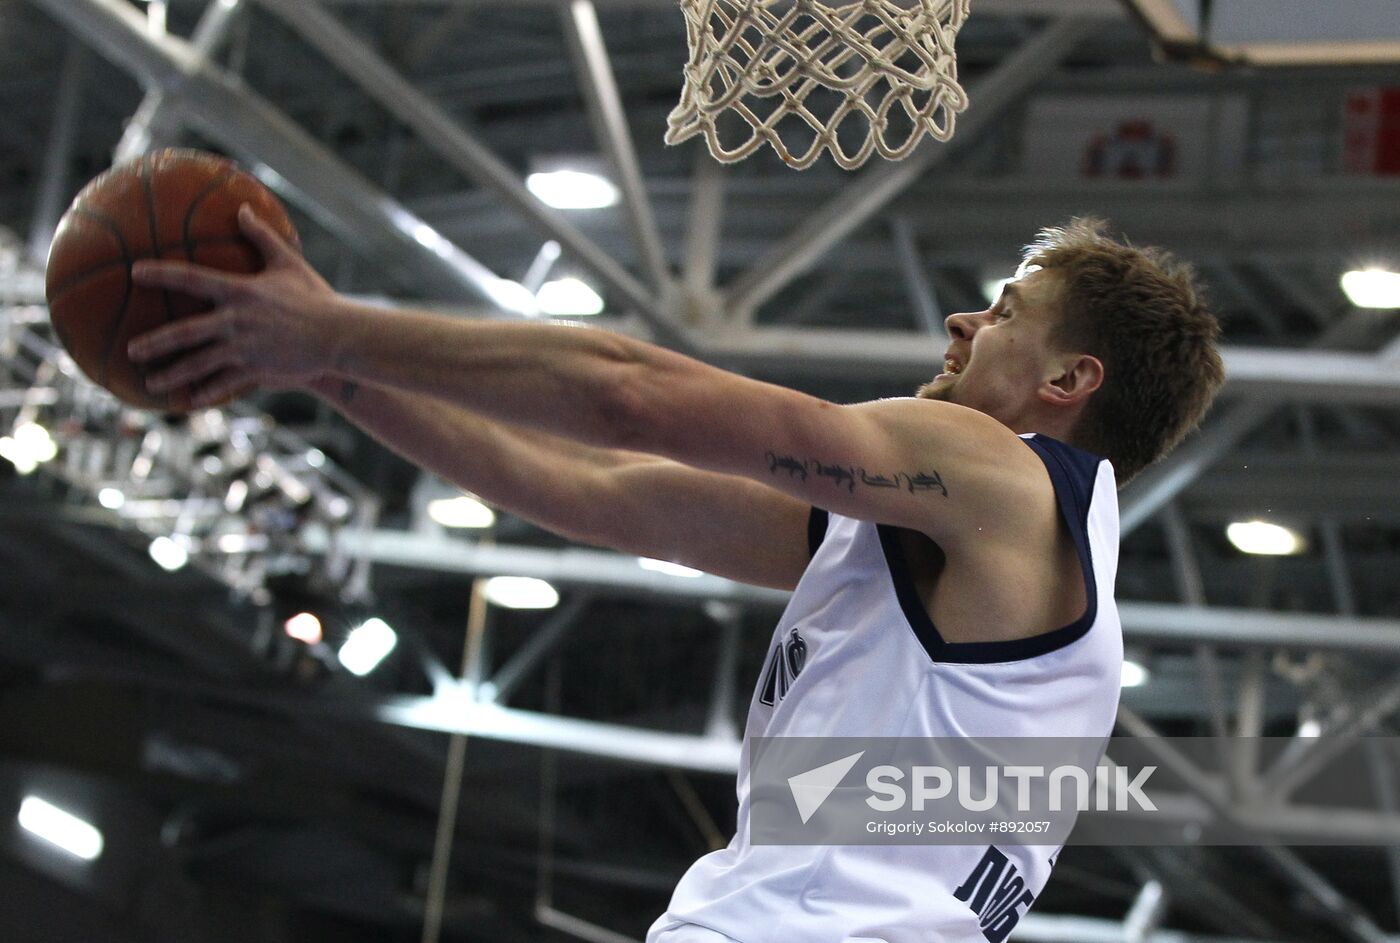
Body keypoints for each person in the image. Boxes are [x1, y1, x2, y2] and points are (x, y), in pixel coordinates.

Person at [128, 208, 1223, 943]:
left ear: (1069, 378)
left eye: (1003, 312)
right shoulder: (970, 547)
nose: (961, 322)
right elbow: (593, 488)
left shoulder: (1004, 475)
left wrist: (338, 328)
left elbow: (628, 393)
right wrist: (328, 369)